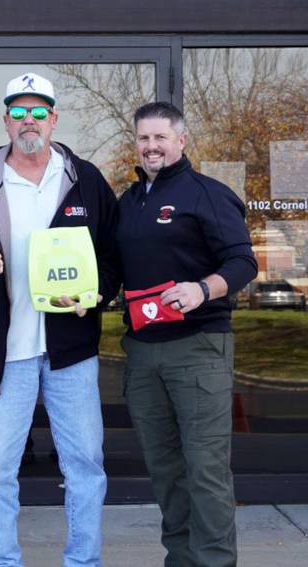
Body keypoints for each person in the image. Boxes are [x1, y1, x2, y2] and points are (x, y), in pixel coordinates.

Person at [0, 72, 120, 567]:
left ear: (54, 118)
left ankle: (84, 561)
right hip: (5, 352)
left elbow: (112, 253)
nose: (28, 121)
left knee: (84, 465)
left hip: (71, 351)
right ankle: (2, 561)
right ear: (5, 121)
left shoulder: (85, 178)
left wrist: (98, 292)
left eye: (38, 111)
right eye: (18, 112)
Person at [116, 101, 257, 567]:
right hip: (142, 351)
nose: (151, 146)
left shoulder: (207, 194)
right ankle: (180, 559)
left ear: (181, 140)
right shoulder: (131, 200)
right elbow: (113, 268)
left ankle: (215, 562)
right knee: (166, 470)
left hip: (198, 350)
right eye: (143, 138)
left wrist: (202, 290)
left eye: (160, 137)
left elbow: (242, 262)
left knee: (206, 471)